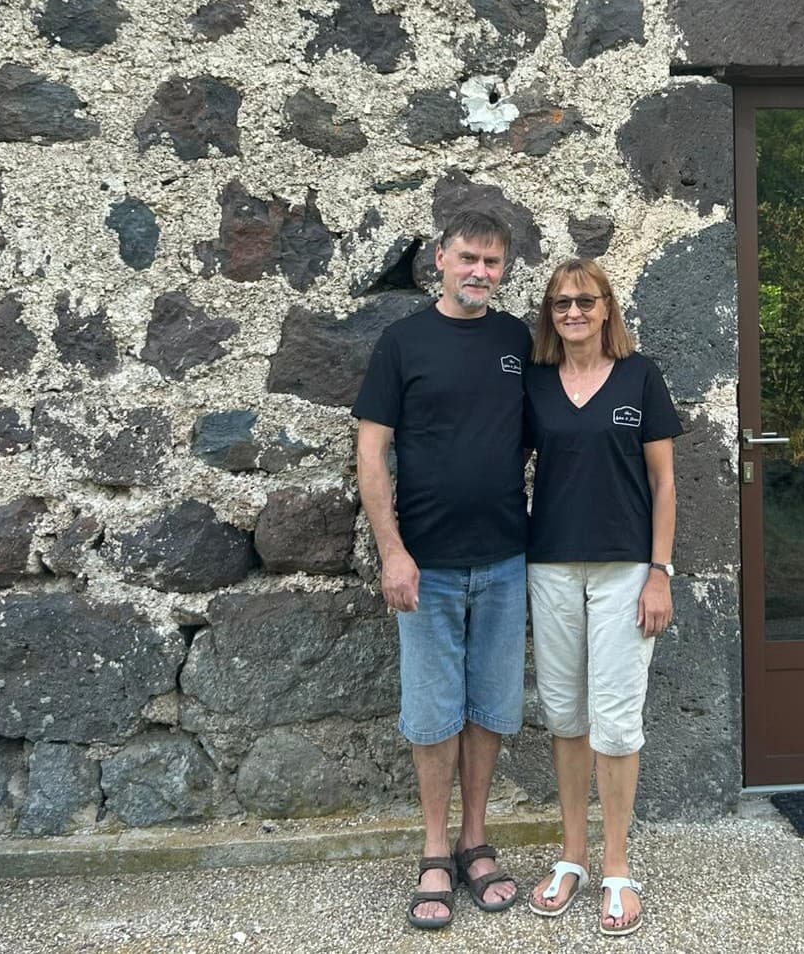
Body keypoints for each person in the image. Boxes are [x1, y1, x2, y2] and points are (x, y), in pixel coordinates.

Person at [352, 209, 531, 930]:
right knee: (431, 715)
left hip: (506, 558)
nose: (479, 273)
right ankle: (432, 850)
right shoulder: (402, 343)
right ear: (439, 259)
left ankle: (474, 841)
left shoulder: (519, 341)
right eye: (467, 259)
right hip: (424, 564)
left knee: (489, 707)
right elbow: (371, 452)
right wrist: (392, 551)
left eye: (491, 262)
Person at [523, 259, 680, 937]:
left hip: (624, 570)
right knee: (565, 717)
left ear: (608, 308)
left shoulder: (640, 378)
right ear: (550, 317)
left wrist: (660, 572)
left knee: (617, 720)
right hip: (552, 566)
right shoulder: (534, 385)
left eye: (585, 301)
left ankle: (617, 867)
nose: (574, 312)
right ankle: (574, 857)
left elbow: (666, 483)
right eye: (561, 304)